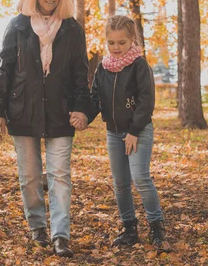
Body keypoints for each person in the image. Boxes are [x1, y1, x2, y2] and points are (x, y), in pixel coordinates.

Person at [0, 0, 89, 258]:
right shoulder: (18, 26)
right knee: (30, 177)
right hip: (23, 112)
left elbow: (80, 75)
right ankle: (38, 228)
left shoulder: (72, 28)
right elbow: (4, 70)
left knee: (60, 175)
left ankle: (61, 236)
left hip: (60, 113)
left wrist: (81, 109)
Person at [72, 15, 169, 250]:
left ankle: (157, 227)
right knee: (120, 183)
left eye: (121, 43)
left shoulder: (139, 65)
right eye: (111, 43)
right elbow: (96, 100)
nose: (116, 48)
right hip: (114, 133)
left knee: (140, 178)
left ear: (132, 40)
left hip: (138, 131)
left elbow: (146, 102)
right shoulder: (103, 69)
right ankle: (129, 228)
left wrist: (134, 131)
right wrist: (85, 116)